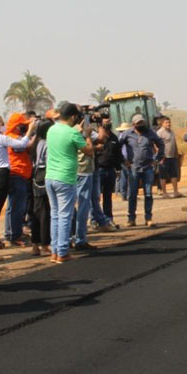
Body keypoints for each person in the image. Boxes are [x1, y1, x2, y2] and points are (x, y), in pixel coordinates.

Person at [0, 114, 35, 248]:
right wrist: (30, 130)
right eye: (1, 124)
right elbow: (22, 144)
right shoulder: (1, 138)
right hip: (1, 174)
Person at [45, 103, 93, 263]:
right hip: (65, 178)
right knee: (65, 216)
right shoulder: (72, 133)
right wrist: (86, 135)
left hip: (50, 176)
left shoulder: (51, 129)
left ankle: (55, 251)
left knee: (55, 215)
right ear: (73, 117)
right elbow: (89, 151)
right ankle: (63, 252)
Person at [120, 114, 165, 226]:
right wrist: (123, 160)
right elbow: (117, 147)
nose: (141, 125)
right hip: (133, 168)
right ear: (133, 124)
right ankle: (131, 219)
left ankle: (148, 218)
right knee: (132, 194)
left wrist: (157, 159)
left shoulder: (150, 133)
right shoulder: (127, 134)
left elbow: (161, 144)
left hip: (147, 168)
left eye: (142, 122)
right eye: (138, 123)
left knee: (148, 194)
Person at [4, 112, 36, 247]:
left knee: (19, 206)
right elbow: (24, 146)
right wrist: (33, 132)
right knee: (15, 207)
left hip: (21, 175)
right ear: (17, 126)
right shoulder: (11, 138)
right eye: (23, 125)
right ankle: (12, 235)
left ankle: (15, 232)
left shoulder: (16, 137)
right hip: (16, 174)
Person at [73, 111, 100, 251]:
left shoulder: (68, 132)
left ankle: (70, 239)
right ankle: (80, 239)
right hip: (83, 171)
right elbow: (89, 151)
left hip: (72, 172)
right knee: (83, 206)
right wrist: (88, 135)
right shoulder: (78, 133)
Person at [29, 116, 54, 256]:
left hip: (36, 176)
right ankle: (45, 245)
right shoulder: (47, 143)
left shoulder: (36, 143)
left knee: (37, 212)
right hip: (45, 175)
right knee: (45, 212)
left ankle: (35, 244)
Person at [93, 117, 121, 229]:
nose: (108, 122)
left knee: (108, 196)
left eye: (109, 120)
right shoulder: (96, 137)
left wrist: (118, 168)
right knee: (95, 197)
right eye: (105, 121)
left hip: (110, 170)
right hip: (98, 170)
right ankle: (94, 220)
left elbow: (118, 154)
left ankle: (108, 219)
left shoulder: (114, 137)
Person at [157, 116, 181, 198]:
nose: (168, 124)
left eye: (169, 122)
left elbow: (174, 143)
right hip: (164, 158)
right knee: (163, 175)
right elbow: (156, 145)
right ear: (162, 124)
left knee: (174, 174)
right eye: (166, 122)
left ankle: (175, 191)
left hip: (172, 157)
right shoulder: (159, 133)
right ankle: (164, 193)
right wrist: (160, 155)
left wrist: (176, 152)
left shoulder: (171, 132)